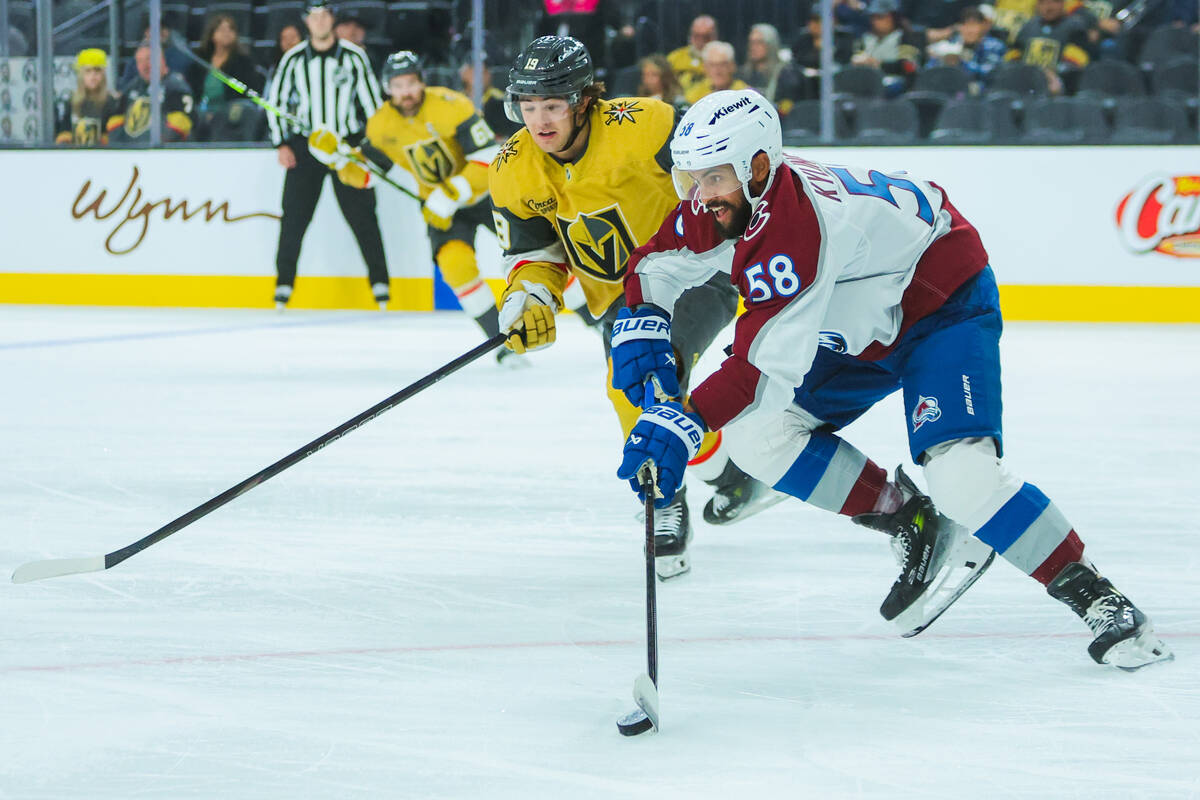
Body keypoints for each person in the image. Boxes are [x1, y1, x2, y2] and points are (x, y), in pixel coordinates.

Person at [613, 88, 1174, 670]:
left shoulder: (796, 227)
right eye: (689, 180)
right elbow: (654, 264)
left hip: (939, 306)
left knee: (962, 477)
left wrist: (680, 421)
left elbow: (759, 371)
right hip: (859, 315)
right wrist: (642, 326)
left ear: (757, 166)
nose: (696, 198)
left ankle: (1095, 595)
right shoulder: (732, 198)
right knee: (757, 437)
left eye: (710, 179)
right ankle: (912, 518)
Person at [489, 36, 781, 580]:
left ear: (582, 100)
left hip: (695, 274)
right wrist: (529, 295)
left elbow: (724, 175)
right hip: (619, 299)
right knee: (630, 385)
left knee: (647, 374)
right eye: (528, 107)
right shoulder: (512, 167)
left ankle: (664, 499)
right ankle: (728, 476)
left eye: (551, 105)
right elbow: (534, 253)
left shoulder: (646, 125)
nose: (540, 121)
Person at [310, 51, 516, 364]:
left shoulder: (451, 105)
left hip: (487, 196)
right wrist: (339, 159)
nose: (406, 91)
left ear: (421, 82)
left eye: (411, 83)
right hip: (439, 208)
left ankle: (599, 323)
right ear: (387, 88)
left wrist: (451, 193)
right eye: (398, 85)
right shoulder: (380, 126)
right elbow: (367, 175)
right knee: (456, 268)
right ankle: (502, 343)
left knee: (536, 253)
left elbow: (489, 156)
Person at [266, 0, 389, 310]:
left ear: (333, 19)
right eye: (314, 16)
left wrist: (367, 148)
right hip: (307, 147)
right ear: (306, 21)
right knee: (293, 218)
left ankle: (380, 284)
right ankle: (283, 285)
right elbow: (277, 103)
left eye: (325, 15)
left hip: (346, 147)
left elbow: (372, 106)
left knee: (364, 218)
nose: (319, 21)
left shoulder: (353, 57)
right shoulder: (293, 59)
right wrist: (281, 143)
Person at [188, 14, 263, 141]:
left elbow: (249, 92)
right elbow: (191, 89)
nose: (226, 33)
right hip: (201, 112)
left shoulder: (243, 61)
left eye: (230, 29)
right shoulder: (200, 61)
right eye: (222, 29)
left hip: (230, 113)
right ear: (212, 34)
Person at [107, 42, 194, 144]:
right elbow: (115, 120)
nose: (144, 66)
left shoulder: (176, 87)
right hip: (131, 152)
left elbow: (181, 124)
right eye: (139, 61)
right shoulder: (133, 86)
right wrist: (120, 146)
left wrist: (153, 147)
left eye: (149, 59)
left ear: (162, 60)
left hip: (163, 153)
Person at [850, 0, 925, 95]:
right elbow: (857, 58)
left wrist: (877, 64)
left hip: (898, 88)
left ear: (894, 17)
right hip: (868, 85)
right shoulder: (865, 39)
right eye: (873, 17)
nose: (875, 21)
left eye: (880, 17)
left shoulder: (906, 37)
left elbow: (907, 66)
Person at [925, 6, 1008, 89]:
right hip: (951, 89)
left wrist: (960, 62)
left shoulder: (994, 46)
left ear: (983, 27)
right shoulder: (953, 44)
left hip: (982, 92)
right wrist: (938, 59)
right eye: (965, 25)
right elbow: (929, 70)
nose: (969, 30)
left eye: (973, 25)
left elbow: (989, 73)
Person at [54, 48, 122, 146]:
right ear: (81, 75)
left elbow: (115, 138)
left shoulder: (112, 102)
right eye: (88, 71)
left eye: (97, 71)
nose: (93, 76)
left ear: (103, 75)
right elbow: (64, 133)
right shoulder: (71, 101)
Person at [738, 24, 801, 118]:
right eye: (751, 42)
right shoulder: (743, 74)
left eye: (759, 42)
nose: (753, 47)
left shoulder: (786, 74)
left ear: (771, 44)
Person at [683, 41, 750, 105]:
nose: (717, 71)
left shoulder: (745, 92)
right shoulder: (695, 95)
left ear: (732, 66)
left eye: (722, 64)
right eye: (712, 65)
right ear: (705, 68)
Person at [667, 14, 718, 93]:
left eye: (706, 37)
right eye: (696, 36)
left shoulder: (721, 58)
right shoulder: (675, 57)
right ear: (690, 35)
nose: (701, 40)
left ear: (714, 37)